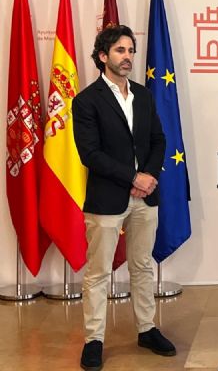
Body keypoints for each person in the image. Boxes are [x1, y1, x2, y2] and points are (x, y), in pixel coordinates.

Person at [73, 25, 175, 371]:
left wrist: (148, 178)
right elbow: (90, 154)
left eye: (130, 50)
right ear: (103, 56)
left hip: (145, 197)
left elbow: (158, 140)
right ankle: (94, 340)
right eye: (120, 50)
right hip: (107, 198)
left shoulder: (144, 96)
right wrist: (133, 177)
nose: (127, 56)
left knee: (142, 266)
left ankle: (147, 329)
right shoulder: (86, 100)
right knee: (98, 272)